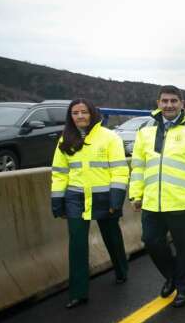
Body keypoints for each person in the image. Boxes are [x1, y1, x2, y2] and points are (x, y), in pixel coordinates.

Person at [129, 86, 185, 307]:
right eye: (164, 101)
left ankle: (183, 288)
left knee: (184, 248)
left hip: (181, 201)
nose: (168, 105)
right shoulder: (145, 128)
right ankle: (171, 276)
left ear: (181, 103)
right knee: (151, 241)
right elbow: (138, 166)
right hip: (151, 201)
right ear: (158, 103)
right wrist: (135, 194)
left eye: (173, 101)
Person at [50, 99, 130, 309]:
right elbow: (59, 173)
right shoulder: (64, 139)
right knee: (77, 243)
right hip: (75, 198)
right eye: (75, 113)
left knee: (111, 236)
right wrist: (57, 200)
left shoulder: (110, 137)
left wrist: (116, 198)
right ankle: (78, 293)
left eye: (83, 112)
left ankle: (122, 270)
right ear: (70, 116)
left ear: (92, 113)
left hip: (104, 197)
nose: (79, 116)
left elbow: (120, 170)